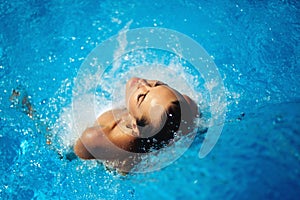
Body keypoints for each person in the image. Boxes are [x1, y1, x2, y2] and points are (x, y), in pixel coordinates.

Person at [74, 77, 198, 173]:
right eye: (157, 84)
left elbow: (69, 154)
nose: (143, 83)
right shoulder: (188, 107)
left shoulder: (98, 138)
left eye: (141, 97)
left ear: (134, 126)